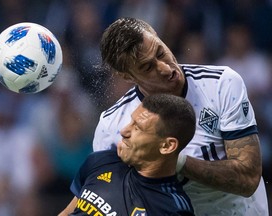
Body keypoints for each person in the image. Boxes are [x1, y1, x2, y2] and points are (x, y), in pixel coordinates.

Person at [93, 17, 269, 215]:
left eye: (161, 52)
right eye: (148, 67)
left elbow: (248, 179)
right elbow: (108, 200)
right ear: (127, 76)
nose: (166, 68)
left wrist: (175, 162)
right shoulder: (111, 127)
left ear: (159, 37)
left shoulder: (222, 85)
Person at [59, 94, 196, 216]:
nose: (124, 131)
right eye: (130, 122)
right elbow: (67, 212)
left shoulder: (172, 209)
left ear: (167, 146)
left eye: (137, 128)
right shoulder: (101, 161)